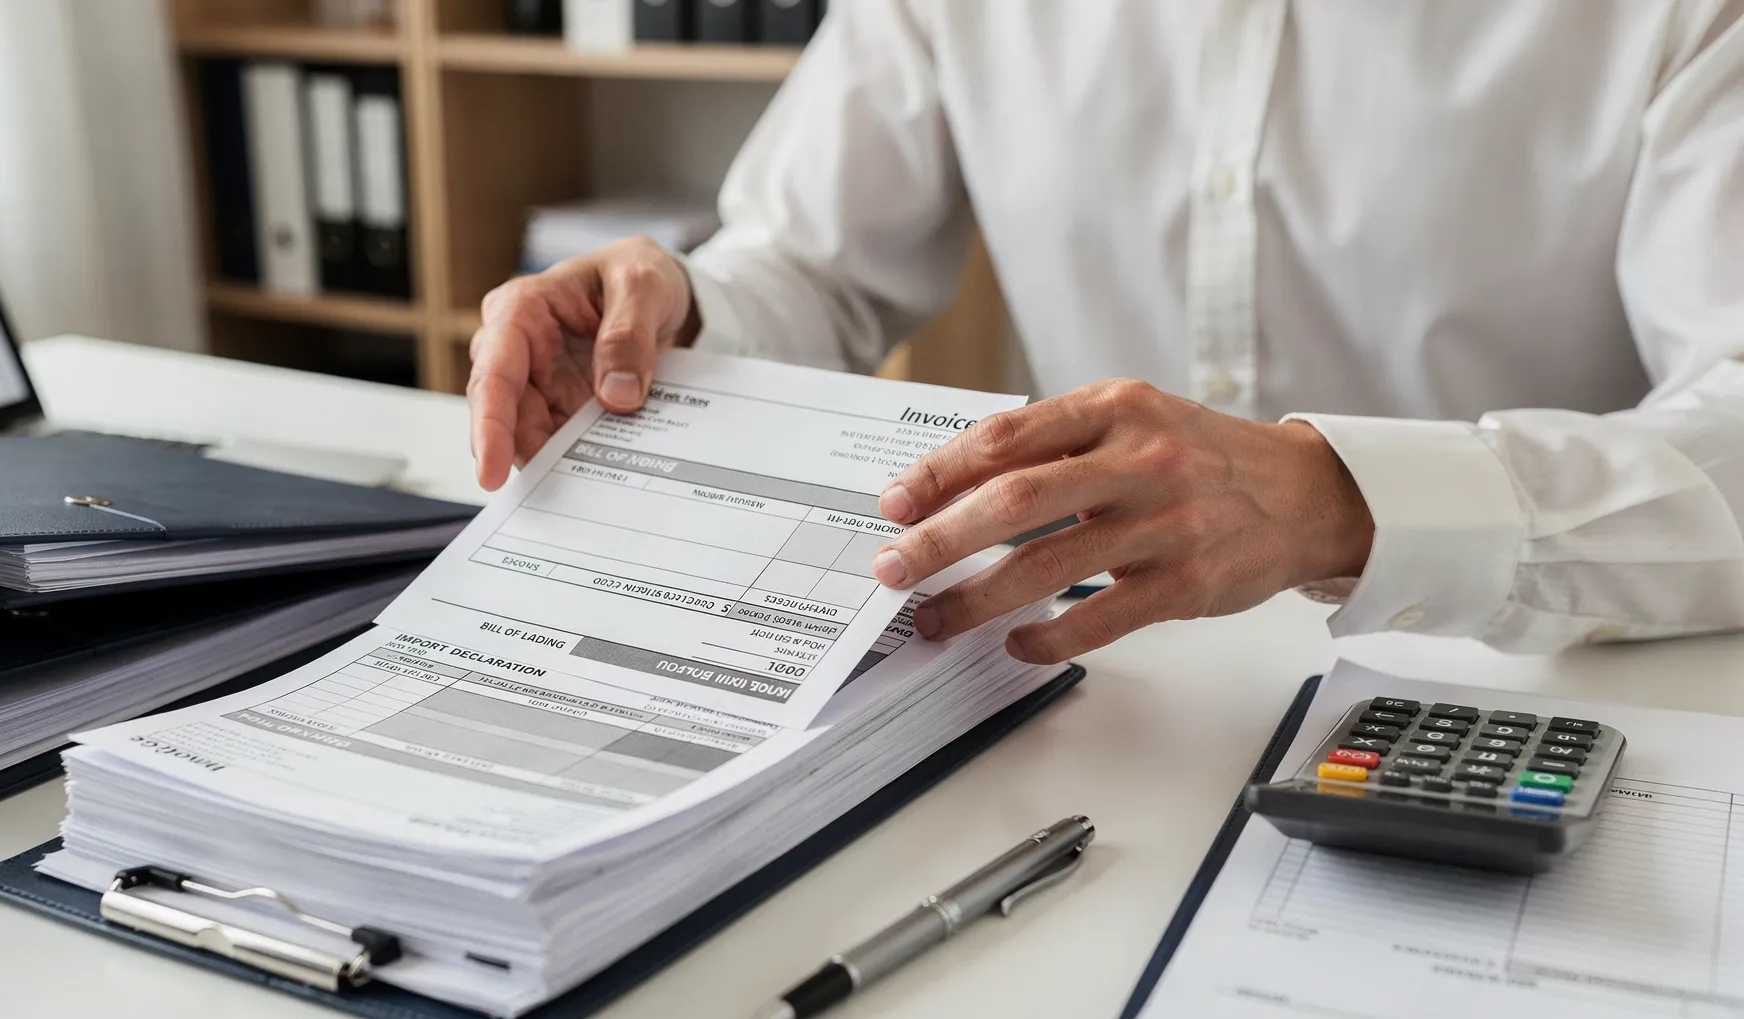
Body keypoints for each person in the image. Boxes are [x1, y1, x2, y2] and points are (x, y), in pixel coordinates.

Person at [466, 1, 1744, 664]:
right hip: (1076, 687)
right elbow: (812, 263)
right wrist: (679, 321)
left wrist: (1340, 502)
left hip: (1518, 678)